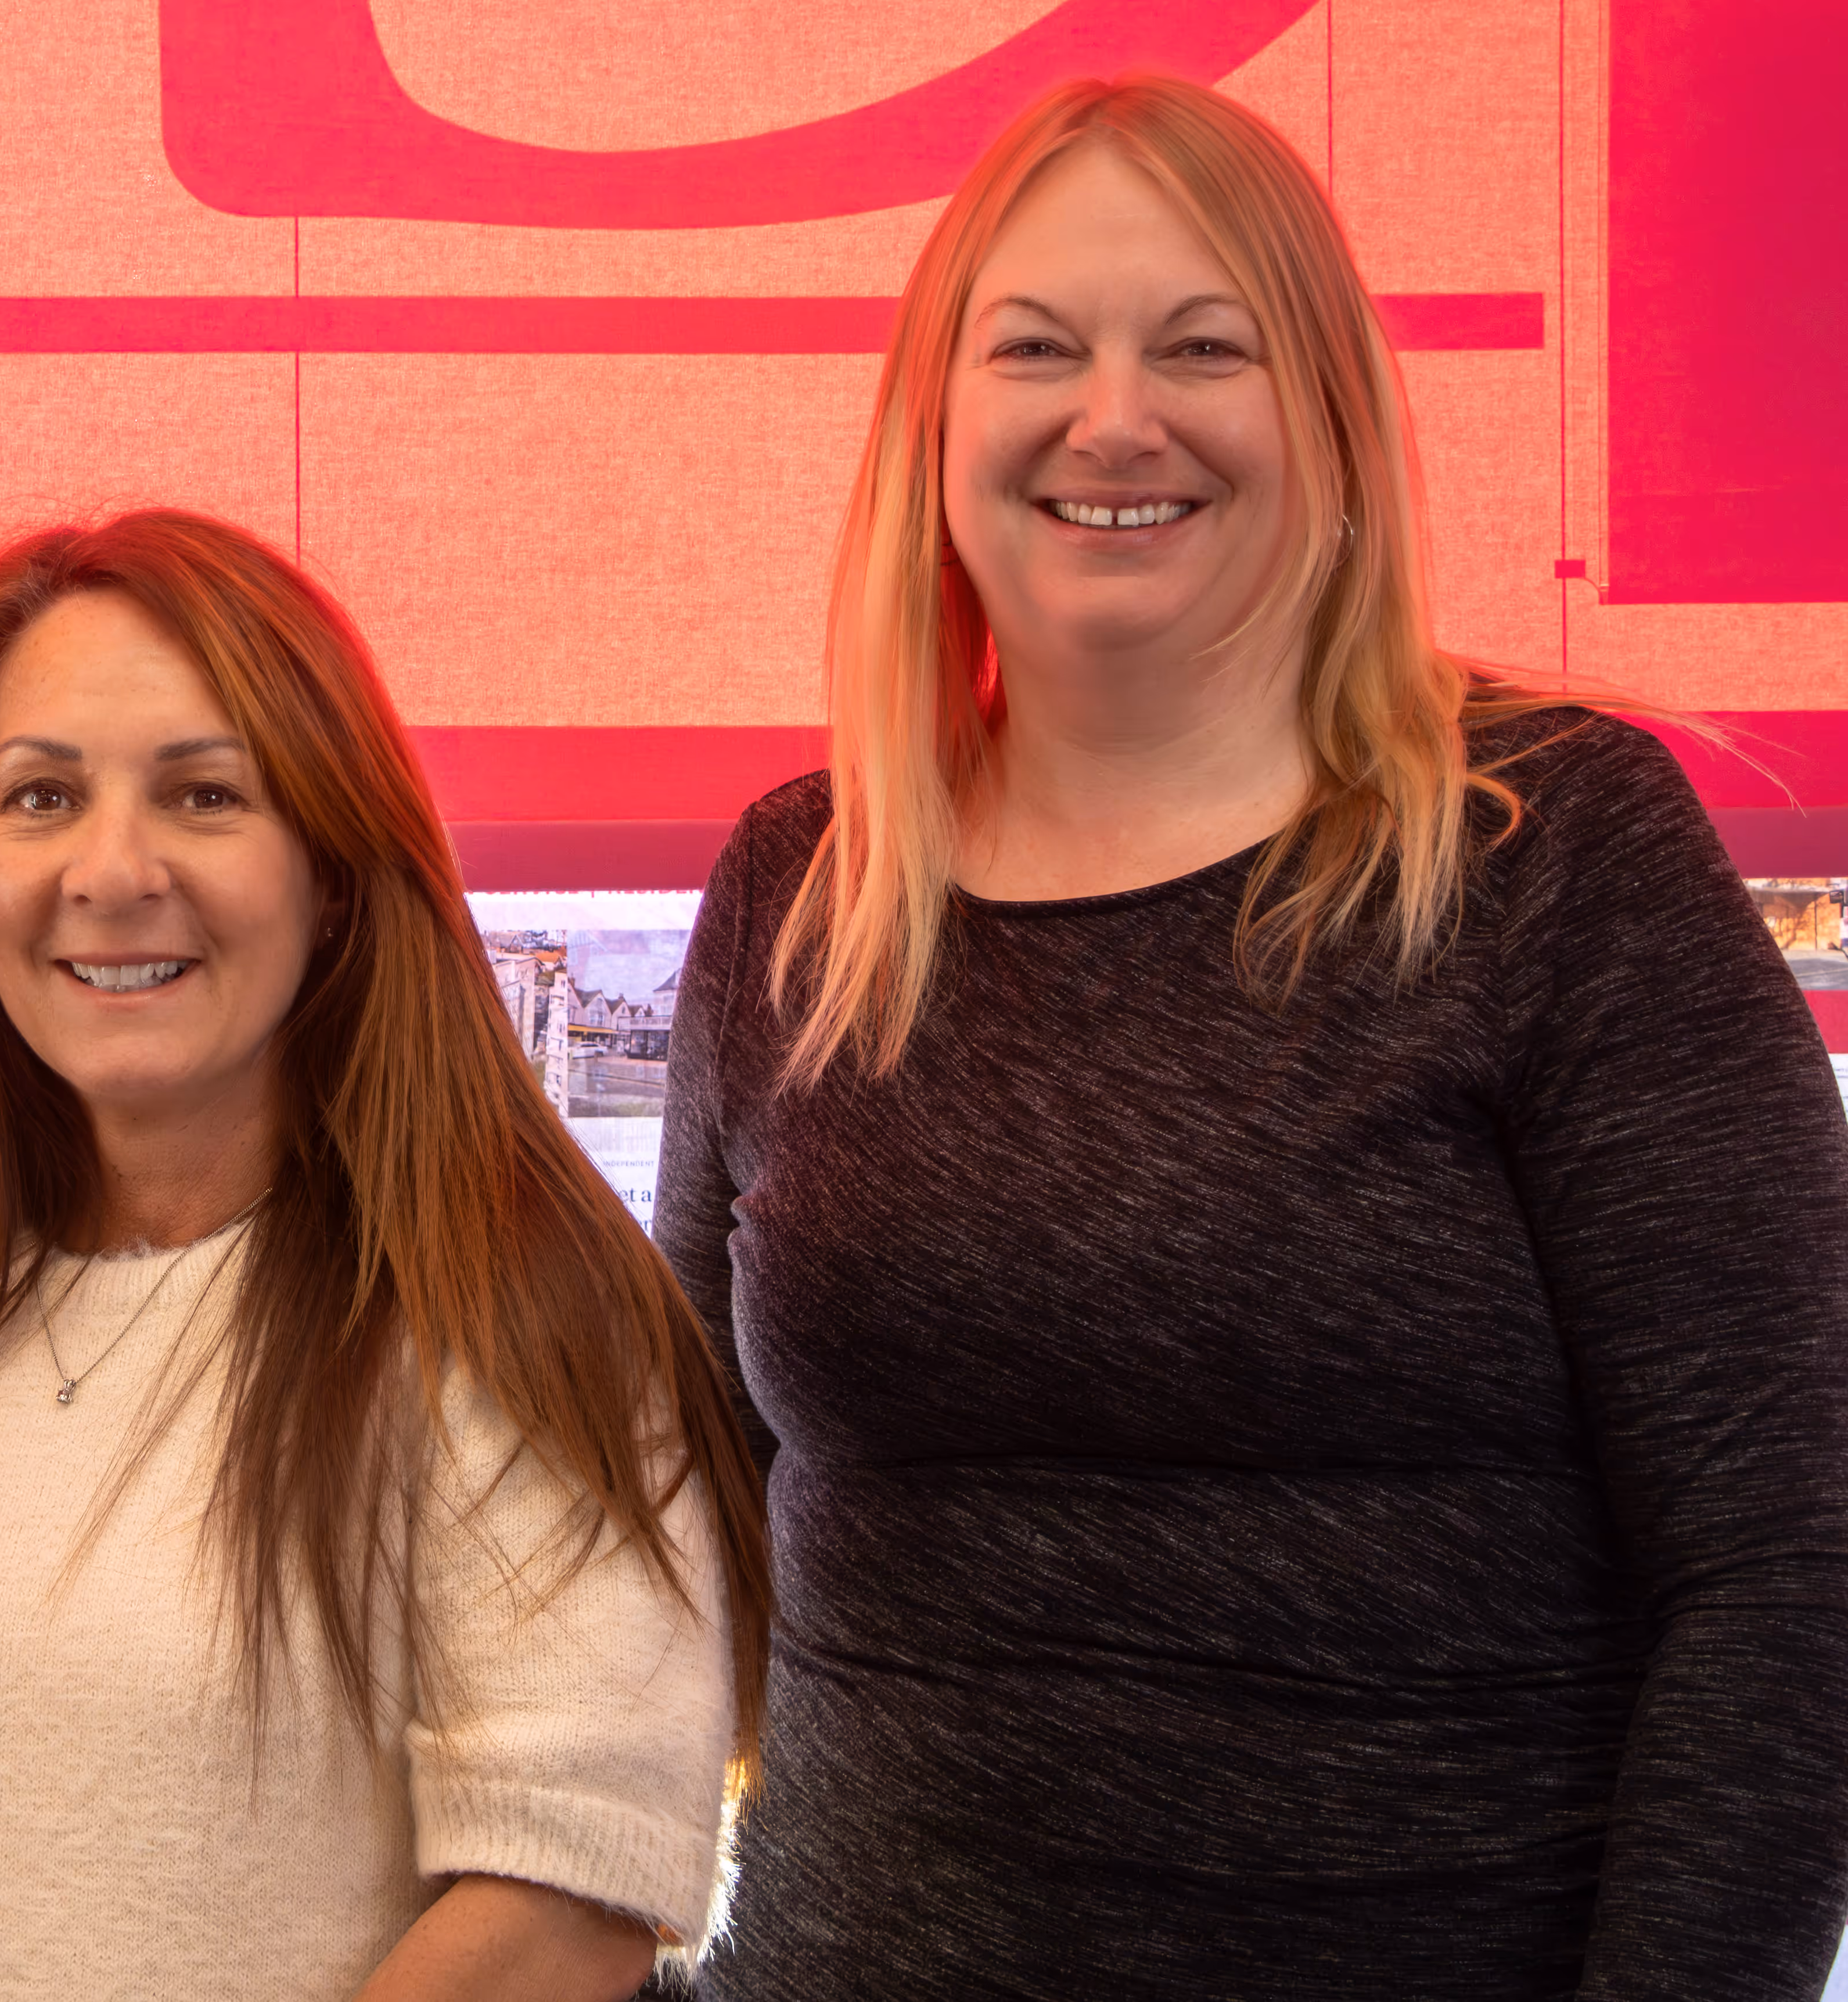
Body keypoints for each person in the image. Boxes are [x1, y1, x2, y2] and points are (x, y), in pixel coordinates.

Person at [658, 76, 1848, 2001]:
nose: (1113, 416)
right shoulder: (803, 883)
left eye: (1203, 348)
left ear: (1326, 414)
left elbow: (1788, 1578)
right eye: (1037, 347)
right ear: (933, 425)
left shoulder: (1559, 853)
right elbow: (672, 1523)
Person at [0, 509, 773, 2001]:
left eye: (205, 794)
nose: (111, 871)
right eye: (40, 796)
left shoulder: (510, 1309)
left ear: (334, 865)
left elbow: (560, 1898)